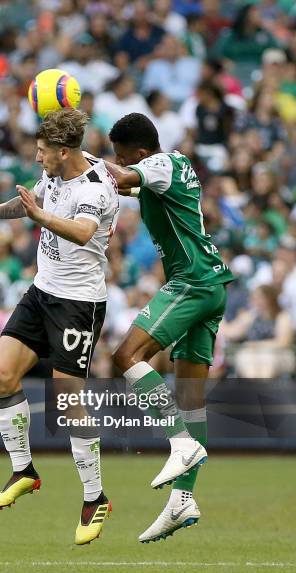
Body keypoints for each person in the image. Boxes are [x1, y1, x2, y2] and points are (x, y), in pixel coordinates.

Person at [0, 108, 119, 546]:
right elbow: (32, 204)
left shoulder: (96, 188)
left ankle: (94, 497)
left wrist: (37, 216)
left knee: (66, 401)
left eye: (43, 152)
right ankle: (24, 470)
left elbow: (82, 232)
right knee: (1, 375)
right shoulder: (56, 174)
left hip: (78, 303)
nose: (38, 159)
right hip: (42, 291)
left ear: (64, 152)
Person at [101, 112, 234, 542]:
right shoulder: (173, 167)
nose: (118, 161)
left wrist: (77, 161)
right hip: (211, 284)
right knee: (191, 397)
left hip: (192, 282)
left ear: (139, 153)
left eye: (122, 155)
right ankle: (182, 499)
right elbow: (132, 180)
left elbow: (123, 179)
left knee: (125, 356)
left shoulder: (159, 164)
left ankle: (178, 441)